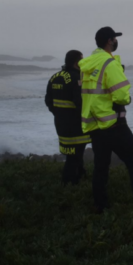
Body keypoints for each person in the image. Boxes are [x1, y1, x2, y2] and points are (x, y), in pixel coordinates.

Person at [79, 27, 133, 215]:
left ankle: (100, 205)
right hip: (113, 124)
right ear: (110, 41)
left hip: (95, 125)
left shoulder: (87, 65)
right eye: (115, 39)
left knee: (101, 166)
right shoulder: (109, 64)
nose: (117, 42)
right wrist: (127, 99)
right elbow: (120, 96)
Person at [44, 50, 90, 185]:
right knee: (75, 154)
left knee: (72, 153)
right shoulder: (77, 78)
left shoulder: (55, 77)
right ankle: (70, 182)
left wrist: (59, 113)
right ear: (77, 62)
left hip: (61, 123)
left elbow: (48, 100)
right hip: (75, 124)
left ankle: (80, 175)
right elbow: (80, 103)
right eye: (82, 60)